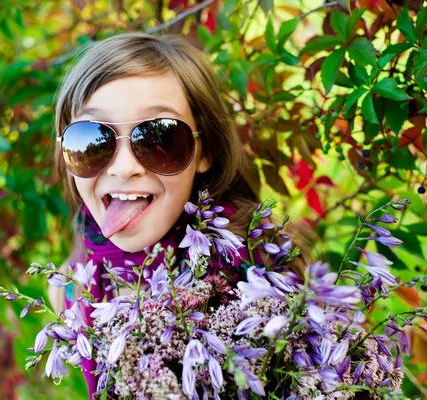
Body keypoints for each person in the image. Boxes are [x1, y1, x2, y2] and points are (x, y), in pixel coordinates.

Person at [48, 32, 266, 397]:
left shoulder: (262, 282)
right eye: (92, 137)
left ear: (204, 151)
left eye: (159, 138)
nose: (124, 167)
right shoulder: (70, 291)